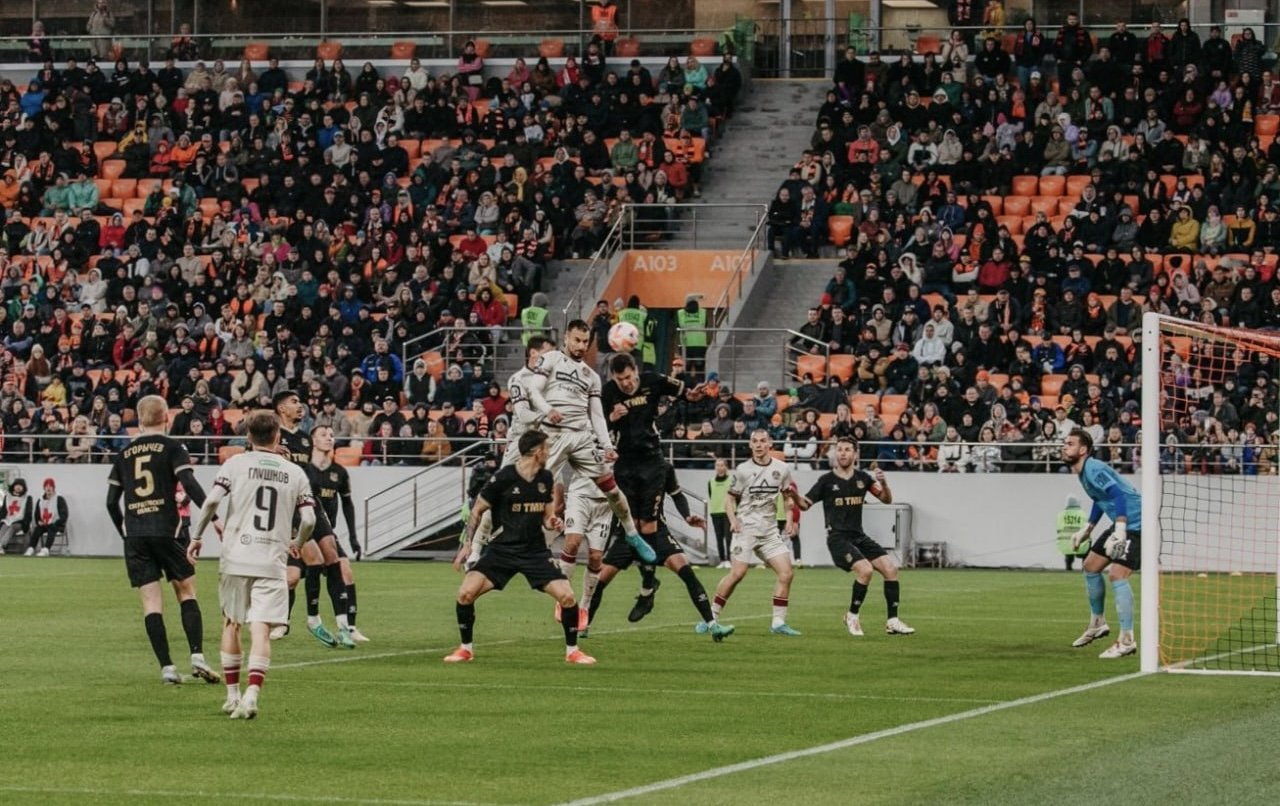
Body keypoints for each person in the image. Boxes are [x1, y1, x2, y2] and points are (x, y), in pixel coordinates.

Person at [189, 410, 316, 719]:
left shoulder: (235, 464)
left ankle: (232, 696)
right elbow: (309, 519)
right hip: (271, 560)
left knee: (231, 623)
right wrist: (298, 542)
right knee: (260, 628)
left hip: (236, 557)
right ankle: (252, 695)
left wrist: (197, 536)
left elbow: (211, 501)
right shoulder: (294, 472)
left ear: (247, 437)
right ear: (278, 436)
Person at [446, 430, 595, 665]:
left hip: (534, 552)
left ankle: (573, 651)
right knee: (465, 594)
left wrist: (553, 522)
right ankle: (466, 649)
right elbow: (477, 510)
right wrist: (467, 545)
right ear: (537, 452)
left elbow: (547, 517)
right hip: (502, 550)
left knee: (567, 597)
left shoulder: (545, 478)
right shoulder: (503, 478)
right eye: (546, 448)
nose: (549, 452)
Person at [105, 395, 221, 685]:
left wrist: (124, 532)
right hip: (167, 530)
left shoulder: (124, 453)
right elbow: (190, 484)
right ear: (167, 417)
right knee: (186, 591)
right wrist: (215, 519)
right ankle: (197, 656)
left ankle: (167, 668)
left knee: (151, 602)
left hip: (135, 535)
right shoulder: (172, 447)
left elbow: (110, 502)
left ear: (139, 420)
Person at [522, 320, 654, 563]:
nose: (581, 346)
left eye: (585, 342)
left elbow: (597, 415)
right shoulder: (550, 359)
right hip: (553, 435)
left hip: (582, 438)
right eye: (577, 340)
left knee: (611, 488)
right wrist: (548, 410)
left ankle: (632, 534)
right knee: (529, 489)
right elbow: (534, 390)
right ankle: (509, 541)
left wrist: (607, 446)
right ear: (566, 338)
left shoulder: (591, 376)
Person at [597, 350, 707, 607]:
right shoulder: (608, 393)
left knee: (646, 526)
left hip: (650, 460)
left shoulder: (653, 381)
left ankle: (648, 585)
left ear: (635, 370)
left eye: (628, 377)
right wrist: (612, 418)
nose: (625, 383)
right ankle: (646, 583)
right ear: (613, 378)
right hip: (624, 465)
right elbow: (598, 425)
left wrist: (694, 395)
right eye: (620, 379)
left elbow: (687, 394)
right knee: (633, 527)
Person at [587, 461, 733, 641]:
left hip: (658, 532)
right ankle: (584, 626)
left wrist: (687, 516)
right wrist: (604, 543)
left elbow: (677, 495)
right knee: (598, 582)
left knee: (687, 574)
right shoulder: (621, 467)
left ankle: (712, 624)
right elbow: (611, 503)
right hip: (627, 533)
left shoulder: (663, 467)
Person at [802, 437, 915, 636]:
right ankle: (852, 616)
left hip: (858, 536)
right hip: (838, 538)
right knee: (866, 570)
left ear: (855, 454)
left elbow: (886, 499)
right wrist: (792, 496)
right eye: (839, 449)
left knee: (890, 569)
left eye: (847, 449)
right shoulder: (826, 481)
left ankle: (892, 621)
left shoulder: (863, 478)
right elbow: (804, 504)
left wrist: (883, 483)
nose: (842, 453)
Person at [270, 390, 352, 648]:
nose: (300, 405)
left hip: (310, 502)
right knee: (308, 564)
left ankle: (344, 625)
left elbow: (307, 472)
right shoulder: (272, 436)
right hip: (288, 507)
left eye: (300, 401)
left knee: (333, 556)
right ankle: (311, 619)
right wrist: (271, 454)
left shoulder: (306, 439)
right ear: (281, 408)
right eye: (294, 402)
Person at [709, 430, 811, 636]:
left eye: (763, 441)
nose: (758, 445)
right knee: (737, 574)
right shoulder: (742, 470)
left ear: (769, 444)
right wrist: (733, 520)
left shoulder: (782, 469)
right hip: (745, 529)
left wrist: (790, 520)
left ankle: (778, 623)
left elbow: (788, 497)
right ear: (750, 445)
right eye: (754, 441)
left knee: (786, 573)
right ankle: (711, 617)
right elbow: (729, 499)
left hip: (769, 532)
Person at [467, 336, 554, 566]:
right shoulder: (519, 379)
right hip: (520, 443)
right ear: (533, 353)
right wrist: (549, 415)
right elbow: (523, 415)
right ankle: (475, 550)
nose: (552, 358)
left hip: (545, 444)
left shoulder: (551, 378)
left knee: (554, 499)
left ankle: (541, 554)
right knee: (496, 495)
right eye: (547, 353)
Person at [1061, 429, 1143, 658]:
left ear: (1083, 450)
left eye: (1070, 443)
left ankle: (1127, 640)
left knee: (1117, 575)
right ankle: (1098, 623)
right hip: (1122, 522)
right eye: (1065, 443)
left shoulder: (1093, 467)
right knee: (1090, 565)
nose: (1064, 446)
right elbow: (1100, 498)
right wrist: (1087, 529)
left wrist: (1120, 530)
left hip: (1137, 524)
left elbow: (1118, 495)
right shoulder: (1084, 472)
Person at [308, 425, 368, 642]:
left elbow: (347, 505)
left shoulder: (340, 472)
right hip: (304, 532)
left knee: (346, 572)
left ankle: (350, 627)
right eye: (323, 435)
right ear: (313, 441)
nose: (329, 438)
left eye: (332, 435)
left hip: (327, 533)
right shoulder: (304, 470)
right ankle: (280, 622)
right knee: (290, 579)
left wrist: (353, 537)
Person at [24, 478, 69, 557]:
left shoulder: (59, 499)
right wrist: (39, 521)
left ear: (53, 487)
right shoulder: (40, 500)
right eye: (46, 486)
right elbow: (37, 515)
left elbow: (64, 515)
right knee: (37, 529)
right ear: (44, 488)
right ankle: (31, 548)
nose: (48, 488)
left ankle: (46, 549)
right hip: (45, 524)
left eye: (50, 486)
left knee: (52, 528)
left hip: (56, 524)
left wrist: (55, 522)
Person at [707, 458, 733, 567]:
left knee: (729, 537)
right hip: (715, 512)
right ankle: (722, 560)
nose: (719, 467)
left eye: (722, 465)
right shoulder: (711, 481)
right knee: (719, 538)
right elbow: (711, 495)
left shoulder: (731, 480)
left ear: (726, 467)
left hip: (728, 513)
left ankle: (729, 560)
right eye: (717, 465)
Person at [0, 477, 33, 555]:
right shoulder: (7, 497)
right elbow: (3, 511)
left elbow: (28, 513)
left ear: (23, 487)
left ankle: (2, 545)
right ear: (13, 486)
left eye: (20, 486)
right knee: (4, 526)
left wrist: (26, 526)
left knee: (13, 526)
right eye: (17, 485)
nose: (18, 487)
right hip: (8, 520)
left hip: (20, 522)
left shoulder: (27, 498)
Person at [1056, 494, 1089, 571]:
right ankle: (1085, 568)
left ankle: (1068, 567)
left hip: (1065, 543)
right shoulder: (1083, 514)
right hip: (1080, 542)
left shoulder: (1060, 515)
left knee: (1068, 551)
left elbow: (1058, 528)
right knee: (1086, 551)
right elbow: (1087, 528)